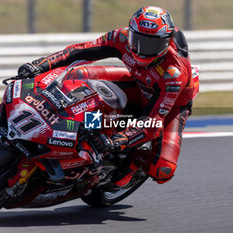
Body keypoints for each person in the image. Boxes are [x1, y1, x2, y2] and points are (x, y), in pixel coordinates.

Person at [17, 6, 199, 187]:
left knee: (163, 170)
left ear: (166, 43)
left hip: (171, 107)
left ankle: (134, 161)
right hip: (136, 83)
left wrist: (117, 141)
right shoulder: (120, 37)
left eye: (152, 45)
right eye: (137, 40)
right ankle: (62, 123)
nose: (141, 50)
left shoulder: (173, 73)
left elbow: (152, 122)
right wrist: (40, 65)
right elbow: (81, 50)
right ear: (130, 32)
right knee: (77, 75)